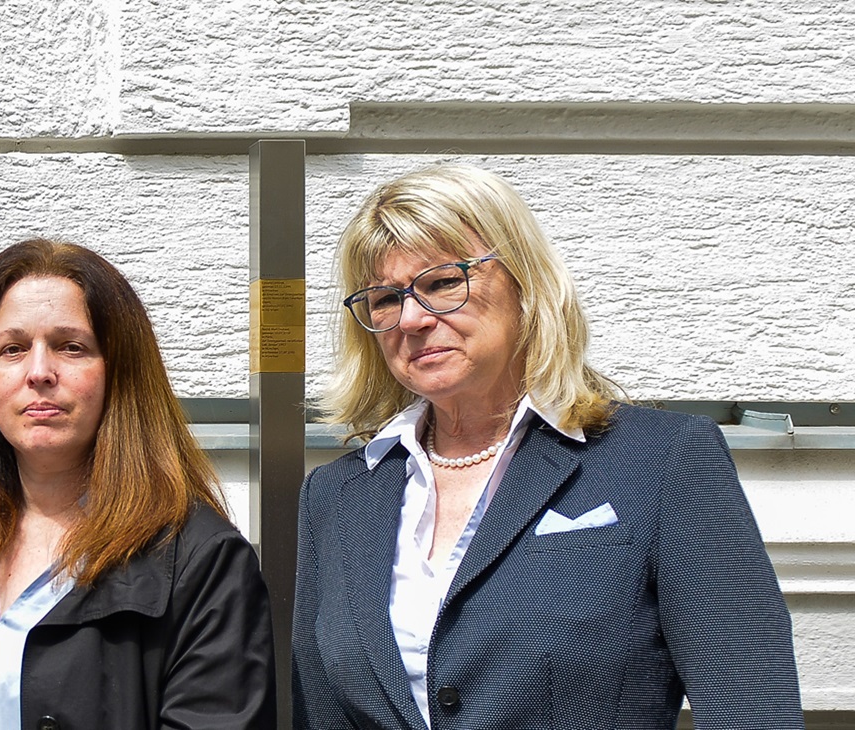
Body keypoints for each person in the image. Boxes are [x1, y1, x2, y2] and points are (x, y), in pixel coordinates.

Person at [295, 164, 802, 729]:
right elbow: (321, 712)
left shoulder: (660, 461)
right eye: (385, 299)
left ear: (524, 284)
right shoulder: (337, 494)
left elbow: (750, 710)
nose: (411, 319)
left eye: (442, 282)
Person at [0, 239, 274, 729]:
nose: (39, 372)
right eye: (12, 349)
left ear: (118, 372)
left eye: (71, 346)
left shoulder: (201, 563)